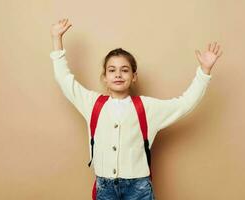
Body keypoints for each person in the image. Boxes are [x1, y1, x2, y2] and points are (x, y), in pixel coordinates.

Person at [49, 18, 223, 200]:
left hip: (138, 188)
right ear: (105, 77)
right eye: (112, 70)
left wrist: (204, 72)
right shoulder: (92, 103)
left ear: (134, 77)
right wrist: (56, 40)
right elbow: (65, 80)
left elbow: (184, 104)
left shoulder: (147, 108)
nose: (118, 74)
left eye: (124, 70)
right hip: (104, 187)